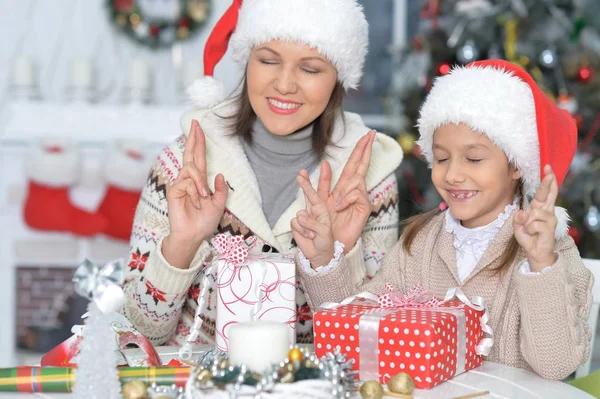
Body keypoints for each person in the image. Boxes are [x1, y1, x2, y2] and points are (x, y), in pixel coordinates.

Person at [119, 0, 403, 346]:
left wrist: (332, 258)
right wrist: (182, 244)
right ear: (247, 61)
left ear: (338, 80)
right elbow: (139, 333)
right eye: (268, 61)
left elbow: (365, 346)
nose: (284, 84)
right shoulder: (182, 165)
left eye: (310, 69)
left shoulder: (368, 180)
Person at [292, 59, 594, 380]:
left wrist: (540, 265)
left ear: (516, 164)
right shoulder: (419, 244)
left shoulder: (552, 251)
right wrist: (324, 258)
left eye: (474, 159)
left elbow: (556, 366)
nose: (452, 174)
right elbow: (356, 332)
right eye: (441, 158)